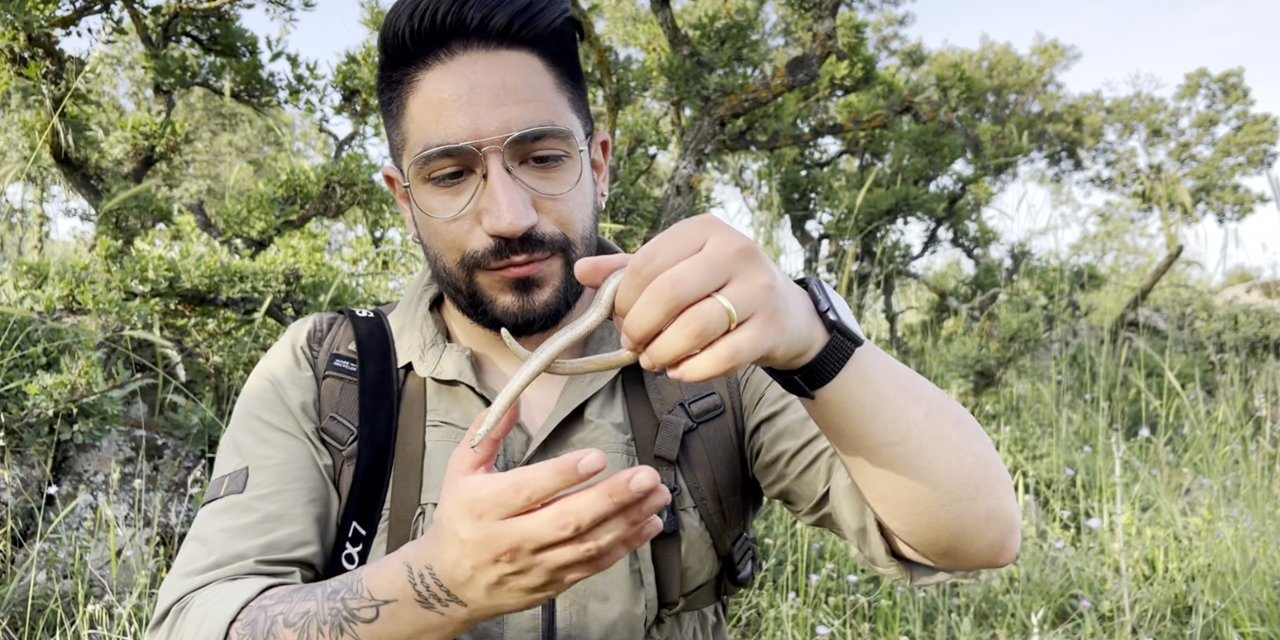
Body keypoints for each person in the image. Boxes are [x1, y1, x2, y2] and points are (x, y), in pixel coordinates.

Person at [146, 0, 1021, 638]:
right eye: (452, 175)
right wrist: (442, 580)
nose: (508, 215)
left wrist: (812, 336)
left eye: (542, 156)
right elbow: (196, 622)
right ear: (403, 199)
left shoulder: (712, 351)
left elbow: (975, 534)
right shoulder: (327, 371)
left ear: (598, 163)